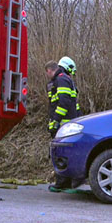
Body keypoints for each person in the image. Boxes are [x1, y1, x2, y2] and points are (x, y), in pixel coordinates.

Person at [46, 57, 82, 192]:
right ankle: (67, 181)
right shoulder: (65, 80)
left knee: (60, 153)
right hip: (68, 123)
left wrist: (55, 120)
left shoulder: (61, 80)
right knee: (66, 153)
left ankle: (62, 182)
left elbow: (64, 103)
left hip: (63, 125)